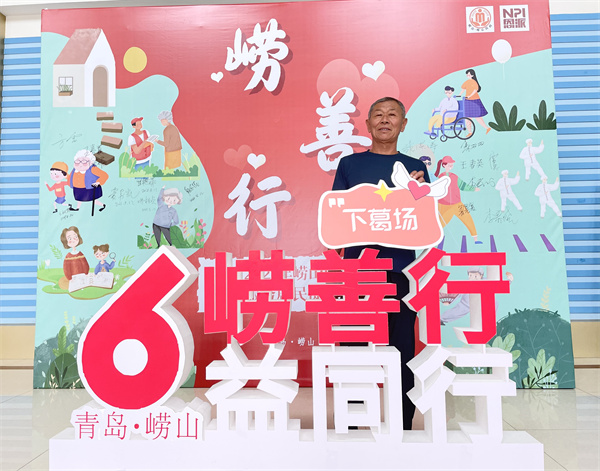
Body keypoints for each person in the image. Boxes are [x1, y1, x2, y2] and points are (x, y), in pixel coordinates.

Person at [332, 97, 428, 430]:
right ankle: (354, 421)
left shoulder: (415, 169)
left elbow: (425, 222)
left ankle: (402, 423)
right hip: (357, 273)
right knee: (354, 349)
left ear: (403, 124)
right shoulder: (349, 165)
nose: (385, 120)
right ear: (368, 124)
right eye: (378, 115)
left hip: (400, 273)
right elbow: (336, 218)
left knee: (402, 351)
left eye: (392, 115)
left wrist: (418, 192)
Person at [435, 155, 482, 244]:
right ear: (444, 165)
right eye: (449, 164)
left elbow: (463, 186)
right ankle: (432, 241)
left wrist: (473, 189)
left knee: (468, 219)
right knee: (439, 224)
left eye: (452, 164)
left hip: (457, 204)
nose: (451, 166)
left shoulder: (454, 176)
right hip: (444, 205)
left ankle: (475, 239)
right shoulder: (440, 177)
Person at [459, 69, 491, 137]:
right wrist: (459, 95)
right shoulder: (466, 82)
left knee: (477, 116)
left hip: (475, 100)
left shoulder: (474, 82)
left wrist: (469, 96)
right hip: (467, 101)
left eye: (469, 74)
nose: (468, 76)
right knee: (468, 117)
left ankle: (487, 128)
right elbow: (463, 89)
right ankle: (470, 132)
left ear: (472, 75)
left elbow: (475, 90)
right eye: (467, 74)